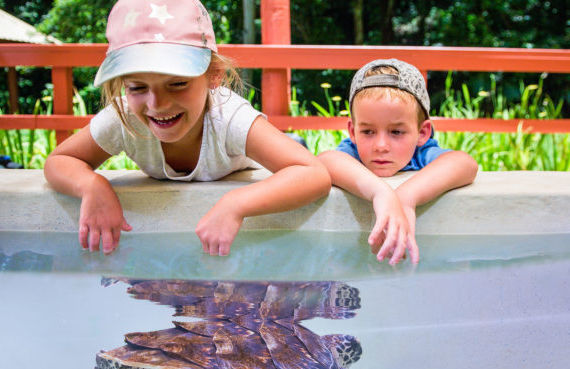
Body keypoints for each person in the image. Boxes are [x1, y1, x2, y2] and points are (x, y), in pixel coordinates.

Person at [44, 0, 330, 256]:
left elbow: (313, 173)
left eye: (178, 84)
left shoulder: (228, 117)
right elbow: (60, 160)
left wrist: (237, 203)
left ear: (214, 76)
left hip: (250, 154)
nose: (157, 104)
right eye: (137, 87)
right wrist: (92, 185)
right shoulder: (124, 117)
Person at [319, 58, 478, 265]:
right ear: (352, 131)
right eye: (368, 131)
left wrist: (405, 198)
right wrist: (381, 193)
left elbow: (465, 163)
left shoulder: (421, 152)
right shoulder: (353, 152)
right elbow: (326, 161)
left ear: (422, 133)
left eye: (396, 132)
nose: (381, 145)